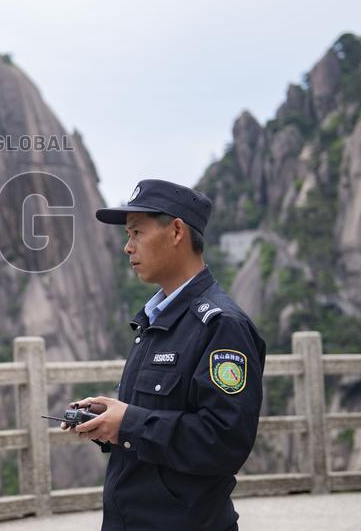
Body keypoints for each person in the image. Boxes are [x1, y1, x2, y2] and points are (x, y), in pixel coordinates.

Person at [63, 179, 266, 531]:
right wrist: (110, 421)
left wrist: (129, 423)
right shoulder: (156, 322)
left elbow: (226, 442)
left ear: (176, 232)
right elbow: (155, 420)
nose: (128, 247)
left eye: (137, 233)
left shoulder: (221, 326)